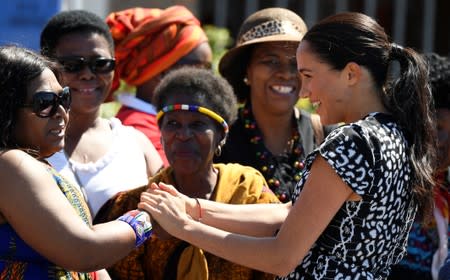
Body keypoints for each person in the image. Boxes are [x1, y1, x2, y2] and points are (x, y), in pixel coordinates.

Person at [139, 12, 437, 279]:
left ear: (350, 74)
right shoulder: (396, 134)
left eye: (308, 75)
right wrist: (194, 208)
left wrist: (184, 228)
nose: (304, 91)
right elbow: (291, 213)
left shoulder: (351, 142)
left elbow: (281, 258)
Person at [94, 67, 280, 279]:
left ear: (221, 136)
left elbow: (278, 259)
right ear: (161, 135)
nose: (183, 135)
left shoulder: (249, 191)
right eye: (172, 124)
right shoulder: (134, 205)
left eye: (197, 125)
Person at [0, 45, 152, 279]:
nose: (61, 111)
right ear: (7, 109)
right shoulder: (10, 164)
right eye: (44, 102)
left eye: (64, 98)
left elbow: (88, 259)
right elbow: (83, 251)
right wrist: (146, 220)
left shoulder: (31, 164)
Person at [40, 10, 163, 219]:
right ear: (47, 66)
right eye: (72, 65)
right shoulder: (27, 144)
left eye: (101, 64)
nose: (88, 74)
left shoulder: (136, 143)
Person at [215, 7, 336, 202]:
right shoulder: (219, 138)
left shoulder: (328, 135)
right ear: (247, 70)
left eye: (295, 63)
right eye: (270, 61)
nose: (286, 73)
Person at [107, 5, 213, 166]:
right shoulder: (139, 131)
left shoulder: (169, 122)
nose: (209, 79)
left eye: (209, 69)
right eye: (199, 69)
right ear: (161, 72)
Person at [389, 53, 450, 280]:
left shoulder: (446, 190)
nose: (440, 141)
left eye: (444, 129)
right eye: (434, 126)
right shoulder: (389, 186)